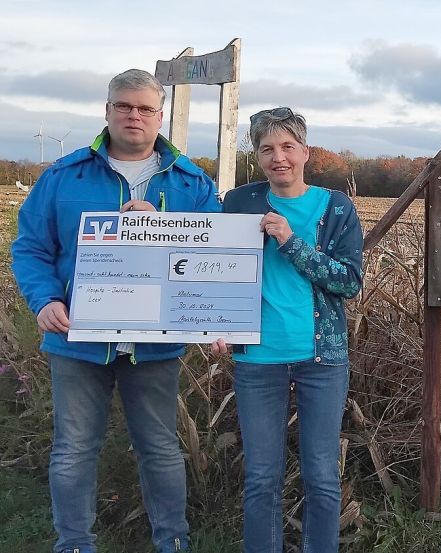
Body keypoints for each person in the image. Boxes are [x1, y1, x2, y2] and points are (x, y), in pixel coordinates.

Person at [11, 69, 220, 553]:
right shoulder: (63, 176)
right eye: (124, 106)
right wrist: (44, 300)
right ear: (106, 112)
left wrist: (164, 227)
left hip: (157, 343)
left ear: (159, 116)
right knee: (73, 450)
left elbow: (218, 255)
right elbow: (30, 249)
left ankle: (172, 542)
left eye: (145, 109)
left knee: (161, 449)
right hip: (77, 339)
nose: (134, 116)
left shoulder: (193, 184)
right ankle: (74, 545)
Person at [212, 107, 363, 553]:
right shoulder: (238, 203)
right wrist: (212, 325)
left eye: (287, 147)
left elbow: (348, 282)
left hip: (322, 359)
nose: (279, 157)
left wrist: (291, 242)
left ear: (305, 153)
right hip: (257, 359)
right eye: (267, 149)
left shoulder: (335, 207)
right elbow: (212, 268)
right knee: (261, 476)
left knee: (321, 474)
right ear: (257, 156)